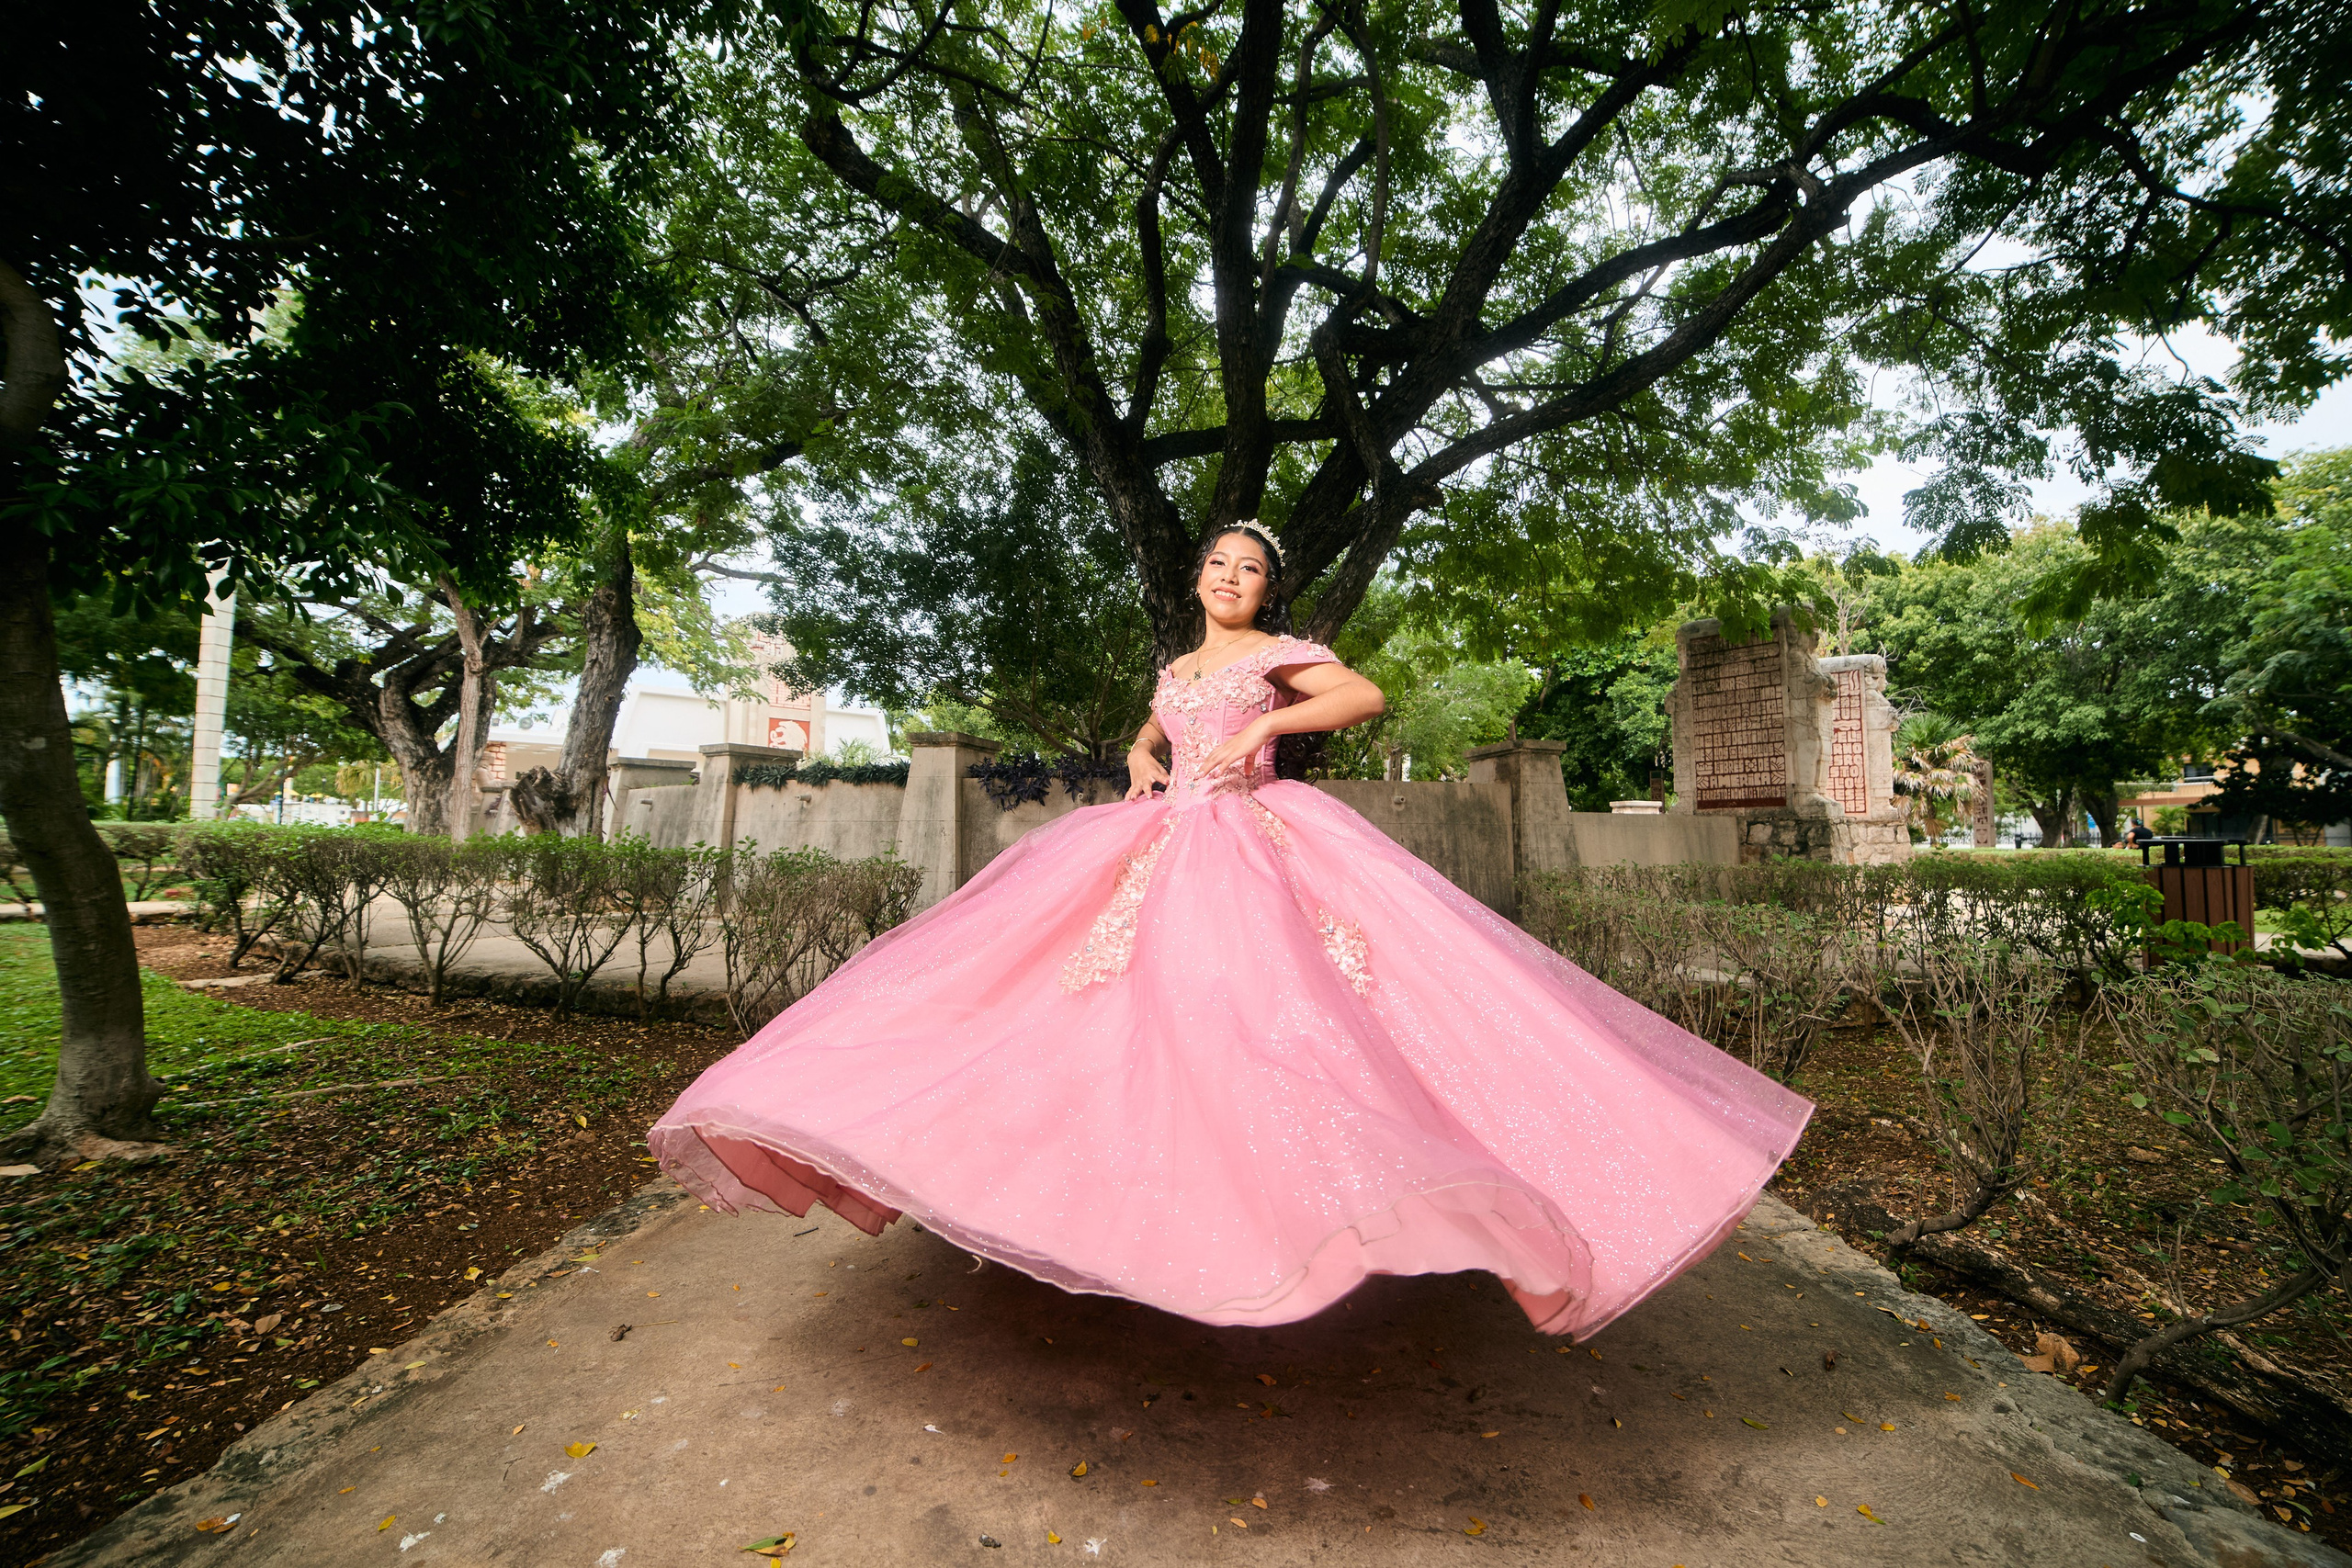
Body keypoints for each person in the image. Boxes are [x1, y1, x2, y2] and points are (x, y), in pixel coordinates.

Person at [649, 523, 1811, 1339]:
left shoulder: (1271, 654)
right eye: (1216, 564)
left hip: (1253, 839)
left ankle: (1279, 1222)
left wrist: (1246, 741)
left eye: (1247, 570)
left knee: (1254, 1015)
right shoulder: (1178, 663)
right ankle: (1103, 1204)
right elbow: (1150, 736)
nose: (1228, 579)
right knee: (1083, 1012)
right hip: (1160, 839)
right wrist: (1157, 760)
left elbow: (1363, 698)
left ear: (1267, 591)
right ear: (1197, 579)